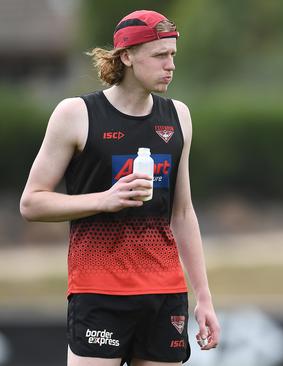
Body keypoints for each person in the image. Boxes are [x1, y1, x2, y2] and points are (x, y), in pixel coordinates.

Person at [20, 10, 220, 366]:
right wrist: (104, 199)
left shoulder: (178, 116)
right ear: (126, 56)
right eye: (160, 55)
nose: (170, 65)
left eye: (173, 54)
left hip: (165, 293)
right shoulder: (76, 114)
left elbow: (183, 212)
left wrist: (203, 296)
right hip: (99, 292)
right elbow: (32, 203)